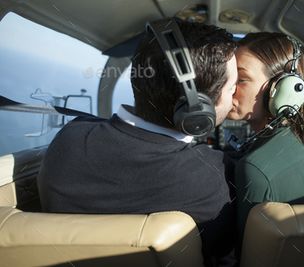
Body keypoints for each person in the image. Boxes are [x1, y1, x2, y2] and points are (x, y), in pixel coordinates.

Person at [38, 19, 238, 267]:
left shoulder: (69, 142)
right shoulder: (214, 177)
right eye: (232, 87)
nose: (235, 98)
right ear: (198, 107)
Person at [227, 32, 304, 243]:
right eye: (229, 78)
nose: (228, 88)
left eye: (241, 79)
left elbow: (247, 253)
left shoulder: (254, 168)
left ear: (283, 90)